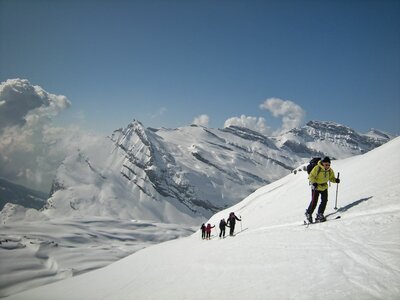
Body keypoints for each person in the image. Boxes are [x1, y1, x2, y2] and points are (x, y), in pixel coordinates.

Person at [305, 156, 340, 223]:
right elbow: (311, 176)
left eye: (329, 165)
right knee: (314, 201)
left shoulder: (329, 170)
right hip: (316, 186)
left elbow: (331, 178)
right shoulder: (317, 168)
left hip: (324, 187)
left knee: (324, 201)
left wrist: (335, 180)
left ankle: (320, 214)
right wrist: (314, 182)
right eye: (326, 164)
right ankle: (308, 213)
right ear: (322, 163)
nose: (327, 166)